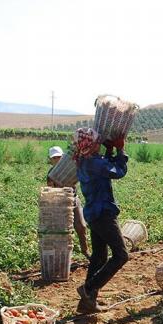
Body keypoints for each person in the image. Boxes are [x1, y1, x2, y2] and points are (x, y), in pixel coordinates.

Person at [72, 128, 130, 313]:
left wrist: (110, 151)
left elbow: (106, 164)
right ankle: (88, 289)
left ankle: (87, 302)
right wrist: (120, 150)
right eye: (97, 141)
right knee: (121, 255)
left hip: (94, 214)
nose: (99, 143)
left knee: (99, 257)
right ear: (91, 144)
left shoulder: (84, 161)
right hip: (103, 213)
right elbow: (119, 171)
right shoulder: (94, 163)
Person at [47, 146, 90, 258]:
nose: (57, 160)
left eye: (59, 157)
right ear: (50, 159)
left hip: (73, 199)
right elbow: (51, 192)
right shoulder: (51, 175)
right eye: (54, 158)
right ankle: (64, 256)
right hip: (59, 204)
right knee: (63, 232)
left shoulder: (70, 169)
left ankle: (85, 251)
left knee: (81, 226)